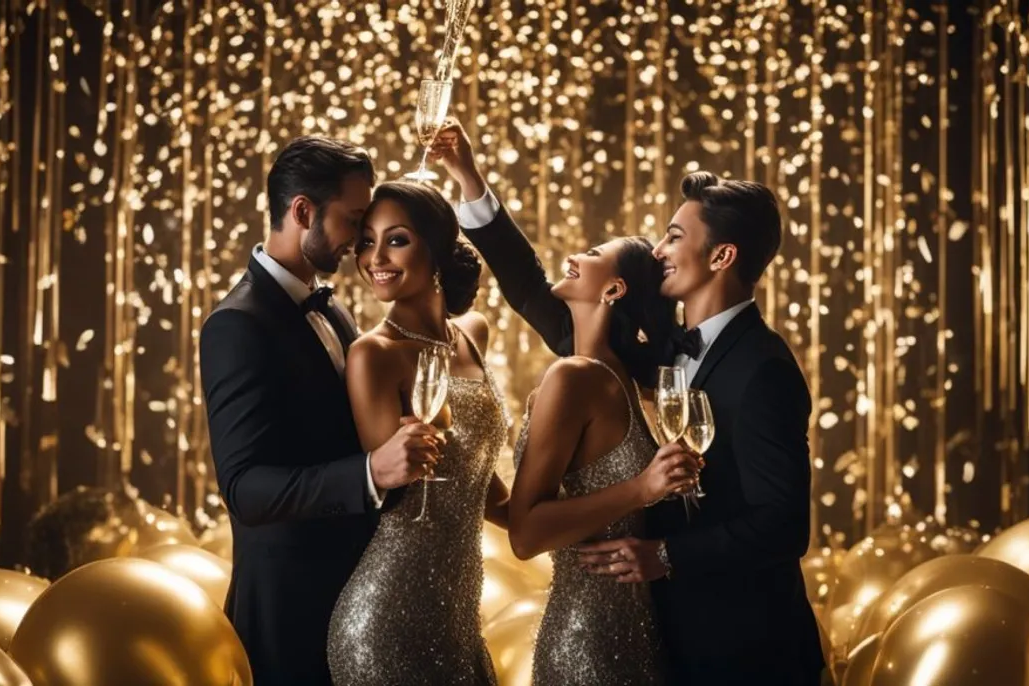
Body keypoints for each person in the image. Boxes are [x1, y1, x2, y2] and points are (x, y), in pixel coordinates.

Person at [432, 121, 826, 685]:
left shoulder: (763, 367)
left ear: (722, 257)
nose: (658, 250)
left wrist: (666, 555)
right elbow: (529, 290)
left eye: (673, 237)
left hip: (751, 648)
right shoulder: (637, 362)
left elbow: (785, 526)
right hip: (665, 642)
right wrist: (470, 178)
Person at [200, 138, 439, 686]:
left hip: (356, 605)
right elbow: (246, 488)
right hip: (289, 616)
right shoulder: (237, 324)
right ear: (303, 212)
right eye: (354, 220)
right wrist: (370, 472)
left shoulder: (330, 308)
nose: (361, 240)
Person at [326, 181, 511, 685]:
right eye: (366, 241)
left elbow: (480, 486)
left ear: (436, 247)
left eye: (396, 239)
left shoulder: (473, 332)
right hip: (387, 618)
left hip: (458, 615)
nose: (375, 257)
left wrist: (564, 520)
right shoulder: (373, 354)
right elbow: (395, 488)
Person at [505, 230, 701, 685]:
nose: (573, 255)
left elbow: (525, 536)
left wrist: (641, 490)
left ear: (613, 290)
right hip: (634, 632)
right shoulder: (630, 384)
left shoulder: (574, 376)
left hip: (586, 640)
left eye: (591, 253)